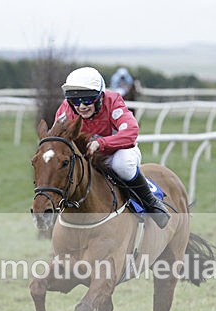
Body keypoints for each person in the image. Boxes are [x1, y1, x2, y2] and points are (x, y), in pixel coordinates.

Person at [54, 66, 169, 228]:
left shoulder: (113, 101)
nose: (81, 106)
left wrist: (101, 143)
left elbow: (131, 131)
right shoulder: (66, 109)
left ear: (100, 96)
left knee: (122, 165)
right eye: (76, 101)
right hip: (86, 156)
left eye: (87, 100)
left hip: (118, 151)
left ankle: (152, 204)